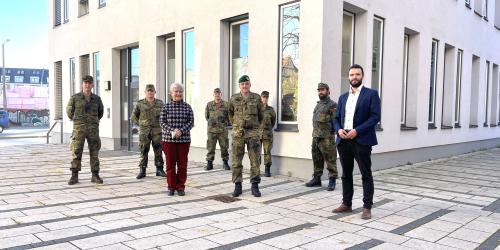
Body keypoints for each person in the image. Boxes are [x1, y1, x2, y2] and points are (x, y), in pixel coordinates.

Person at [332, 64, 381, 220]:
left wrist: (357, 130)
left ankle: (367, 207)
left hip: (361, 139)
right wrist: (339, 129)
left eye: (357, 74)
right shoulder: (343, 97)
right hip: (344, 140)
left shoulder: (371, 94)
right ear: (349, 77)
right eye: (352, 74)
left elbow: (375, 117)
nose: (354, 77)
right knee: (346, 174)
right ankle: (347, 203)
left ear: (362, 76)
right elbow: (336, 118)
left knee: (365, 174)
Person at [229, 75, 264, 197]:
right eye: (242, 84)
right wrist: (237, 125)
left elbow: (261, 115)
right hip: (238, 133)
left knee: (255, 161)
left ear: (250, 85)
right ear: (239, 86)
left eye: (246, 83)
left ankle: (255, 186)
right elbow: (230, 114)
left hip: (253, 134)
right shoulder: (234, 98)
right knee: (236, 161)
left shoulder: (256, 98)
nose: (244, 86)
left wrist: (256, 128)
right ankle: (237, 185)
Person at [66, 75, 104, 185]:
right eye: (85, 83)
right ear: (82, 84)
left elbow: (100, 112)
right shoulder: (75, 98)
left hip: (93, 130)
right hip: (79, 130)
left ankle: (95, 175)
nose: (87, 85)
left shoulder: (97, 99)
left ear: (93, 85)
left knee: (94, 152)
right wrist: (78, 121)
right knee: (76, 152)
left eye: (89, 83)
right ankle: (74, 175)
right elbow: (69, 112)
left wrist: (93, 121)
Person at [159, 83, 194, 196]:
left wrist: (181, 131)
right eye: (176, 91)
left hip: (184, 141)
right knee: (170, 165)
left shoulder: (187, 107)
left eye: (180, 91)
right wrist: (173, 131)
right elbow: (162, 122)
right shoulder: (166, 107)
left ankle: (180, 187)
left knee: (182, 165)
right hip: (169, 141)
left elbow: (191, 122)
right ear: (171, 93)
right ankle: (171, 187)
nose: (178, 93)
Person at [305, 82, 338, 191]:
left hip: (327, 138)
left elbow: (336, 121)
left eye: (322, 90)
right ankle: (317, 179)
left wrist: (332, 134)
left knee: (330, 160)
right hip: (316, 137)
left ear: (328, 91)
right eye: (319, 90)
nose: (320, 92)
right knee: (316, 159)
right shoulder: (318, 104)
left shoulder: (332, 105)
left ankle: (332, 180)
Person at [132, 84, 166, 179]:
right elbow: (134, 116)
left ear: (155, 92)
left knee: (158, 150)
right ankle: (142, 170)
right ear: (145, 92)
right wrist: (141, 125)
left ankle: (159, 169)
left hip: (157, 131)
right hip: (144, 132)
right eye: (148, 91)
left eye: (152, 91)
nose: (150, 92)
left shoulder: (160, 103)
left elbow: (164, 116)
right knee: (143, 150)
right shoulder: (140, 104)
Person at [205, 88, 230, 171]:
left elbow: (229, 117)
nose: (217, 95)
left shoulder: (226, 105)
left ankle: (225, 162)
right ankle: (209, 163)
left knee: (224, 147)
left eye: (218, 93)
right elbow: (207, 116)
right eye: (215, 94)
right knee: (210, 147)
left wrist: (225, 124)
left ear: (221, 95)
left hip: (223, 130)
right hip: (211, 131)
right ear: (213, 95)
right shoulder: (209, 105)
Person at [260, 91, 276, 177]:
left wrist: (268, 129)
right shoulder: (257, 109)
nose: (265, 99)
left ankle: (267, 170)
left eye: (266, 97)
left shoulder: (271, 110)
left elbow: (273, 121)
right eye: (263, 97)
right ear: (261, 98)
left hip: (267, 134)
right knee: (256, 152)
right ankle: (256, 169)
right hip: (257, 134)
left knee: (267, 152)